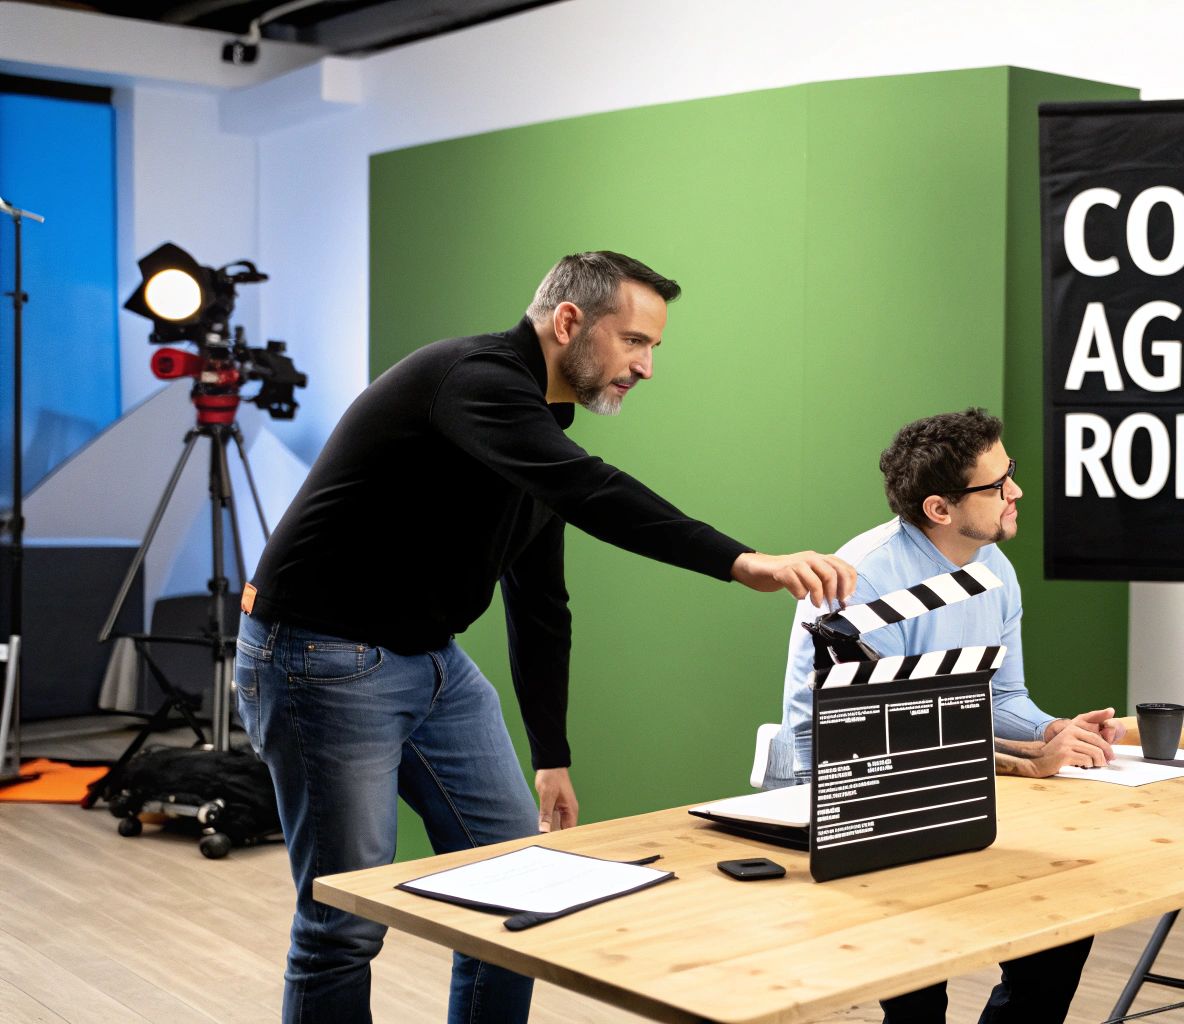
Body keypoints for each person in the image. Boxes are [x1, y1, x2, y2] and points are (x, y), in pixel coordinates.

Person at [235, 250, 855, 1024]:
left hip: (430, 660)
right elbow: (592, 491)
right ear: (569, 321)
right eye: (635, 341)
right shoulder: (475, 382)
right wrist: (740, 561)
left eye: (653, 347)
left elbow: (540, 600)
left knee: (523, 890)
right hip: (321, 657)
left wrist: (551, 754)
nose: (647, 366)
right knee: (344, 923)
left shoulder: (536, 420)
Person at [765, 407, 1120, 1023]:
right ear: (940, 509)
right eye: (998, 483)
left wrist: (1050, 730)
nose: (1018, 491)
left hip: (950, 791)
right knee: (918, 992)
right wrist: (1029, 765)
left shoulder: (996, 570)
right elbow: (883, 736)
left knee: (1062, 924)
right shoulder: (865, 579)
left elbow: (1001, 697)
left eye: (1010, 471)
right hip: (853, 799)